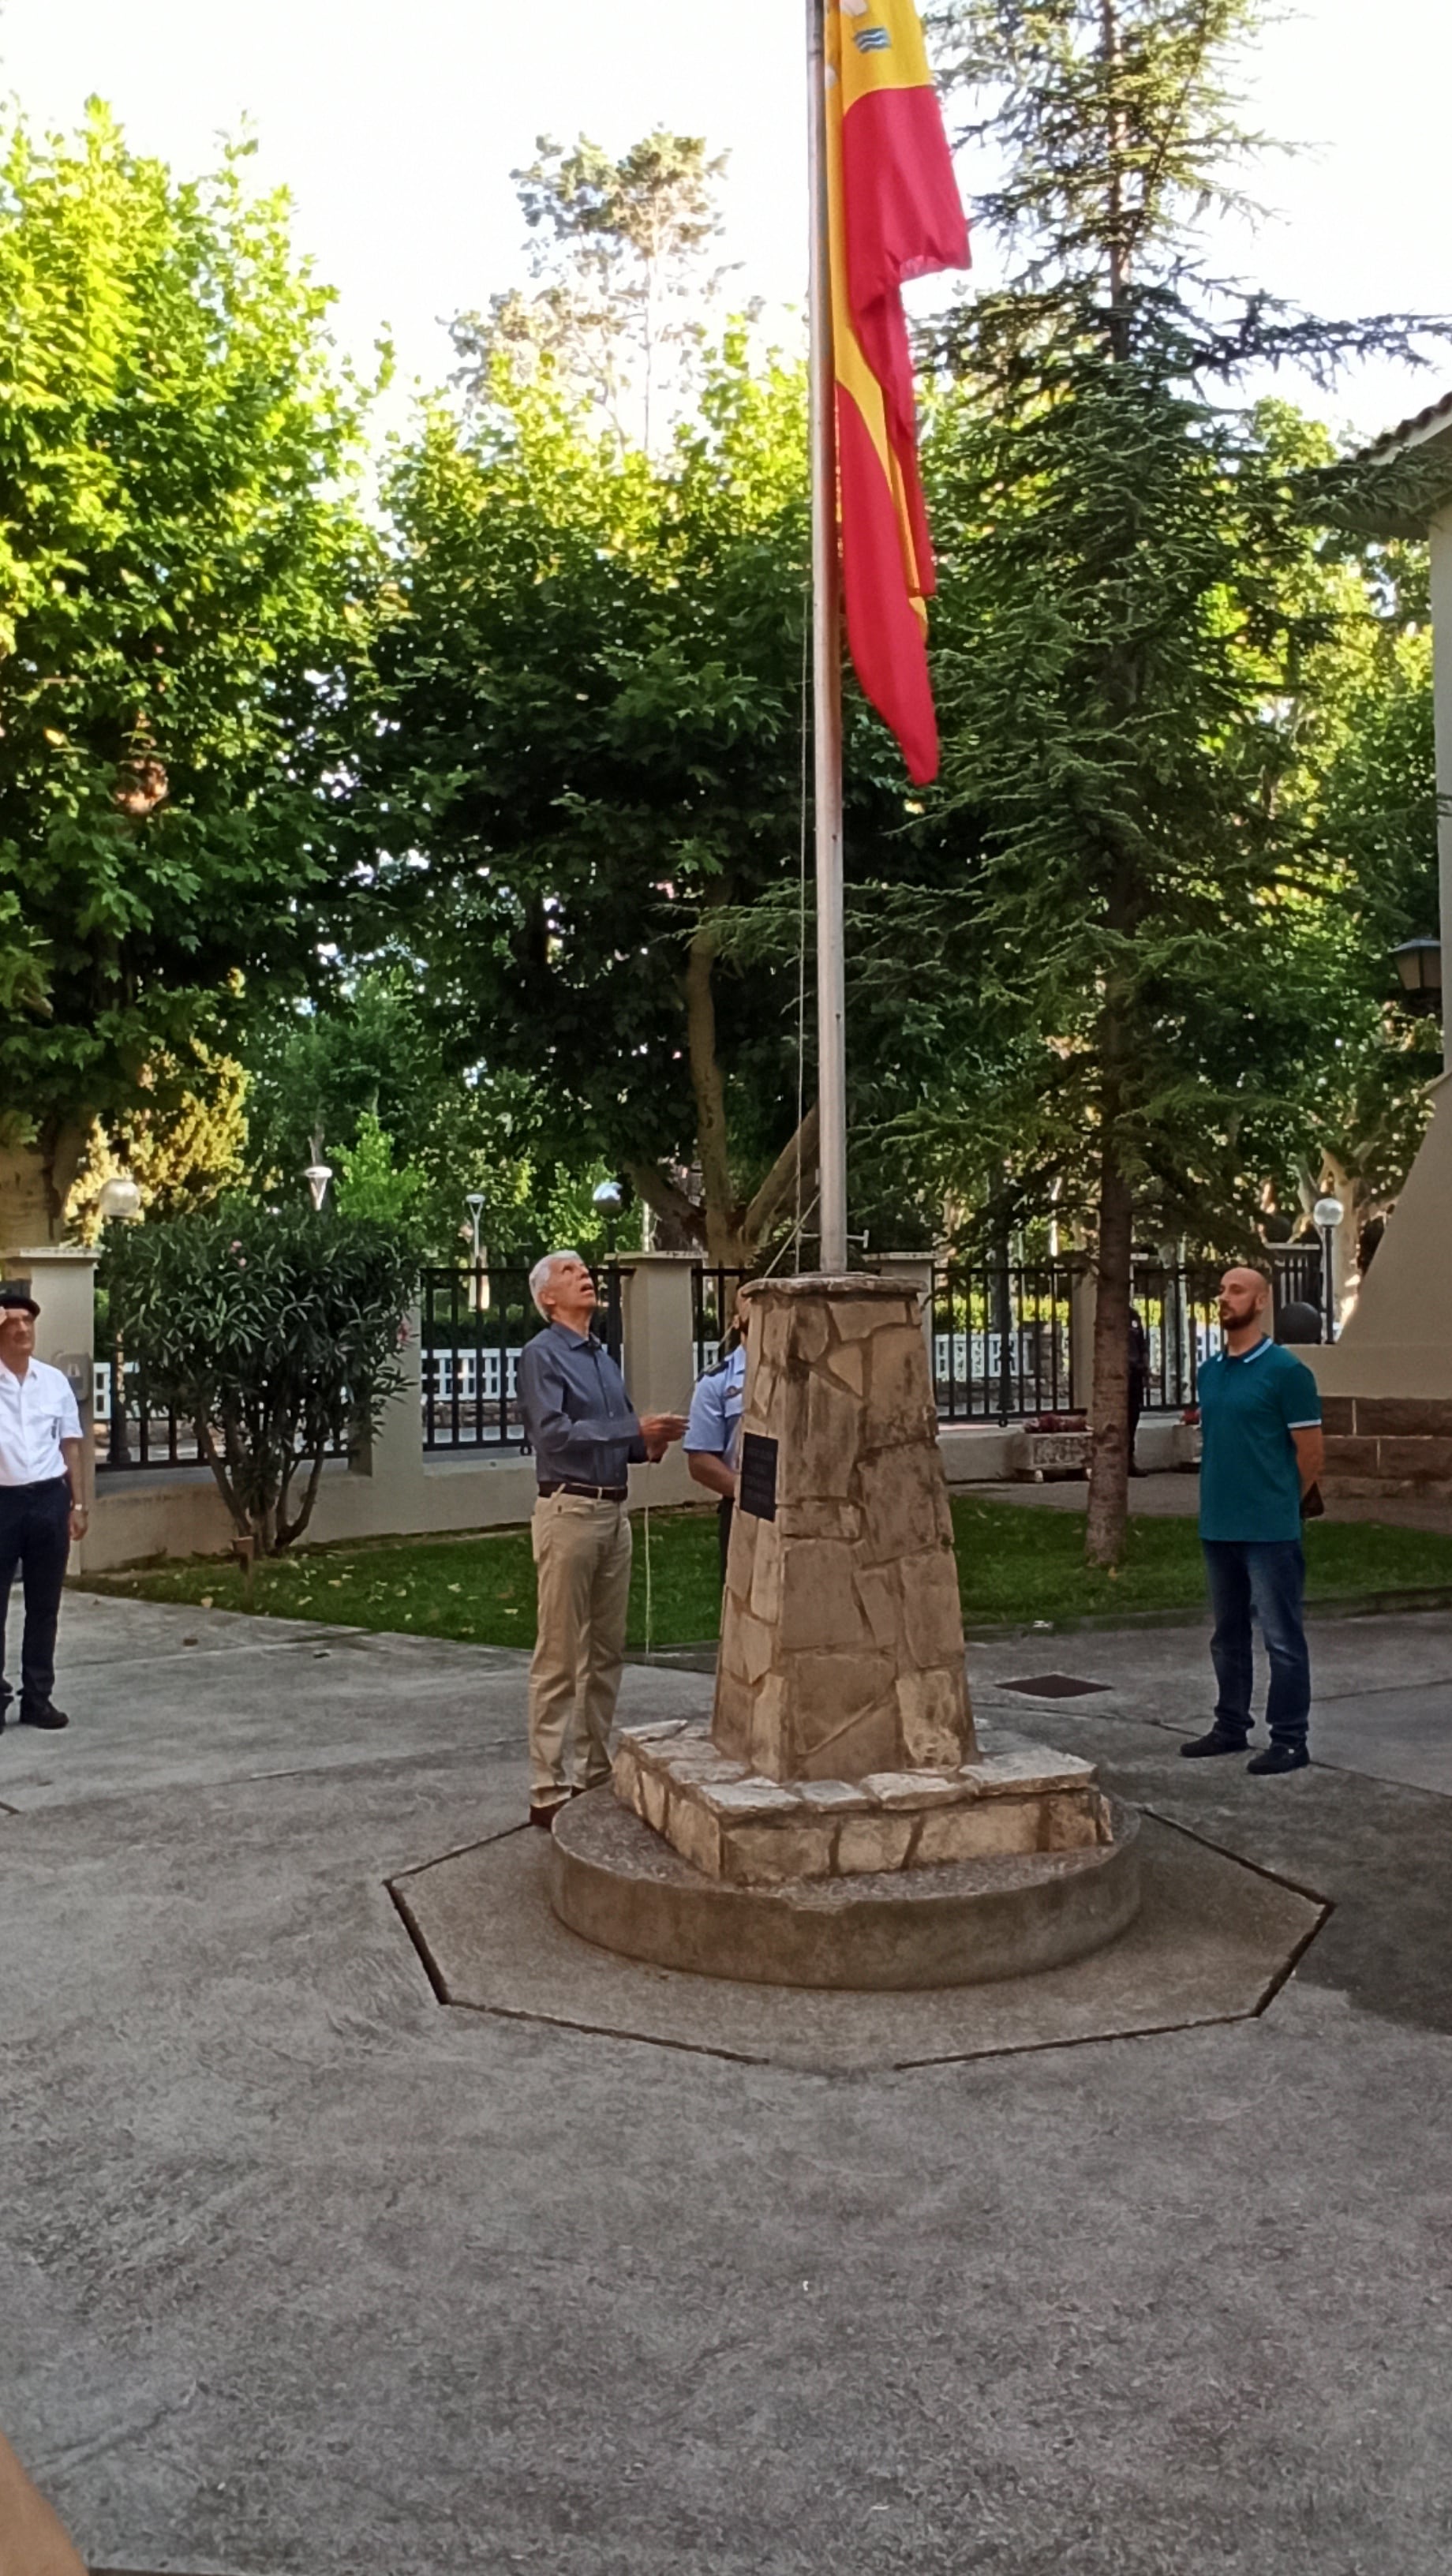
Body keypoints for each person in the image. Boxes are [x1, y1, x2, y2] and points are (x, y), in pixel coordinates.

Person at [516, 1252, 686, 1829]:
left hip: (614, 1516)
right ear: (548, 1298)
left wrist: (650, 1443)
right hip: (568, 1511)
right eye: (568, 1272)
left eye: (584, 1269)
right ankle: (547, 1786)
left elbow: (624, 1439)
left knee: (606, 1653)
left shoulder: (603, 1360)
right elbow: (554, 1434)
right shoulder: (541, 1356)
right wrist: (628, 1431)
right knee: (560, 1655)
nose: (584, 1275)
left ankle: (592, 1771)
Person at [1181, 1264, 1323, 1775]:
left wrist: (1282, 1504)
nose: (1224, 1297)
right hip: (1218, 1524)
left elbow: (1310, 1455)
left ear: (1261, 1301)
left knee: (1282, 1638)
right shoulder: (1211, 1371)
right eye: (1221, 1289)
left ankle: (1289, 1738)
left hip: (1269, 1530)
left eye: (1236, 1290)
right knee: (1227, 1635)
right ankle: (1230, 1727)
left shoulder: (1287, 1373)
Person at [0, 1282, 86, 1734]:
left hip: (49, 1499)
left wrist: (78, 1504)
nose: (21, 1330)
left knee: (44, 1606)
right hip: (2, 1503)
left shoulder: (52, 1382)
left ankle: (38, 1698)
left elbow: (71, 1448)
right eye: (10, 1322)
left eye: (27, 1321)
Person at [685, 1285, 750, 1581]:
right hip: (741, 1509)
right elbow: (700, 1461)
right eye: (750, 1300)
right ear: (737, 1320)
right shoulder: (716, 1382)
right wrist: (751, 1493)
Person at [1127, 1305, 1149, 1475]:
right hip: (1119, 1374)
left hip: (1135, 1373)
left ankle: (1129, 1459)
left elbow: (1142, 1344)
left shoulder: (1133, 1315)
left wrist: (1144, 1366)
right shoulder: (1111, 1315)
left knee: (1133, 1415)